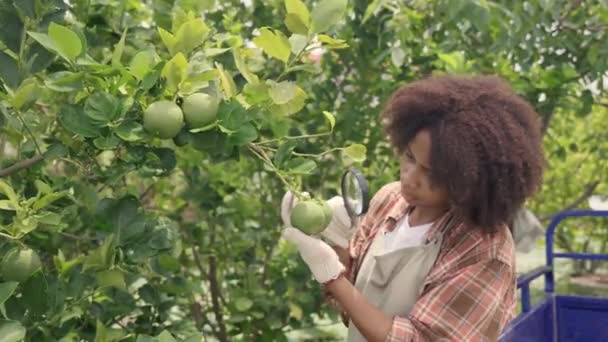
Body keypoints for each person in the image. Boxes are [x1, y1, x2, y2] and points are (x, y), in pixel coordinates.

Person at [280, 74, 545, 341]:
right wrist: (337, 243)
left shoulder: (483, 249)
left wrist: (331, 276)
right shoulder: (390, 200)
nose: (410, 178)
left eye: (432, 174)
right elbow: (353, 311)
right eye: (409, 157)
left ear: (469, 180)